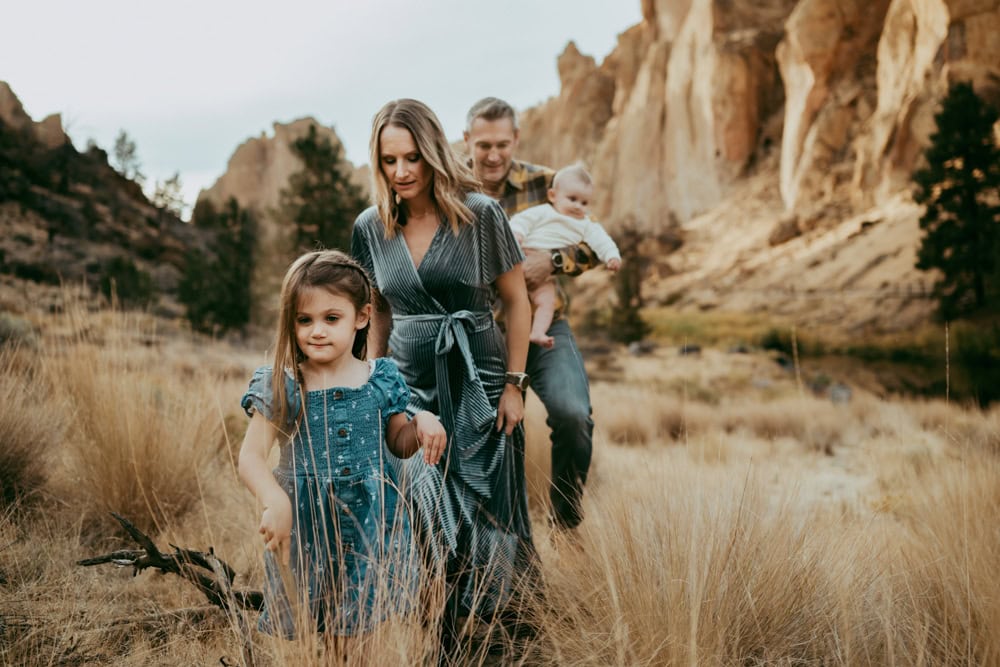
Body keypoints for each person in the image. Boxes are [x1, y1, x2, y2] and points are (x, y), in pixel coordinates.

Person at [351, 98, 536, 655]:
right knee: (425, 503)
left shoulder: (481, 214)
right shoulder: (371, 226)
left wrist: (514, 384)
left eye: (412, 158)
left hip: (478, 375)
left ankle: (505, 624)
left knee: (490, 502)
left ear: (432, 153)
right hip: (410, 379)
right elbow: (378, 308)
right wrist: (377, 380)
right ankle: (442, 632)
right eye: (389, 161)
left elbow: (516, 302)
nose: (402, 172)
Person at [237, 249, 447, 644]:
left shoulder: (378, 377)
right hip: (306, 525)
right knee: (310, 630)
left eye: (331, 318)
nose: (317, 331)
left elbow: (398, 445)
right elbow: (250, 459)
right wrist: (275, 500)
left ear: (362, 317)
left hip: (372, 524)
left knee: (359, 634)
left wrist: (421, 422)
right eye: (305, 320)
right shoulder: (283, 384)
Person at [464, 97, 596, 530]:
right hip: (480, 334)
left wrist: (552, 263)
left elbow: (592, 241)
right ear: (467, 141)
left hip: (544, 329)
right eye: (483, 145)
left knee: (573, 414)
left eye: (503, 143)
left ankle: (566, 523)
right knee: (487, 434)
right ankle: (496, 539)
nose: (494, 155)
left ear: (516, 139)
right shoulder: (451, 189)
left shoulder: (548, 184)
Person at [509, 162, 622, 348]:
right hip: (522, 255)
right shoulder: (543, 212)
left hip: (544, 276)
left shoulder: (586, 224)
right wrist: (518, 234)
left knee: (547, 302)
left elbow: (601, 240)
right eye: (572, 199)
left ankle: (537, 332)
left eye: (584, 202)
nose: (578, 206)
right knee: (510, 296)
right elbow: (521, 221)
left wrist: (612, 256)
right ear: (553, 196)